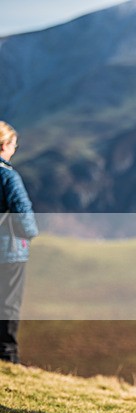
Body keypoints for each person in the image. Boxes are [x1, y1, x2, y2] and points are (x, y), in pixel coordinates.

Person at [0, 121, 39, 364]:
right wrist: (30, 234)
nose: (15, 149)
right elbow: (23, 211)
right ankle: (7, 356)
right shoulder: (8, 176)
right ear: (4, 145)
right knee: (8, 303)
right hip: (9, 250)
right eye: (14, 145)